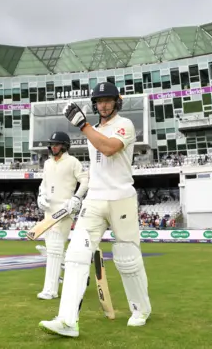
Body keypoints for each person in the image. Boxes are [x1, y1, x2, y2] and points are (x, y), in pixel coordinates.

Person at [39, 82, 151, 337]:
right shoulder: (93, 129)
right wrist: (80, 196)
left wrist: (82, 125)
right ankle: (67, 320)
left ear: (116, 102)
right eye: (99, 101)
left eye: (108, 100)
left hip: (121, 197)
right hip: (95, 200)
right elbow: (97, 162)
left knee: (127, 258)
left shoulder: (125, 125)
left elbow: (109, 149)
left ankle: (141, 309)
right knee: (76, 255)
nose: (103, 104)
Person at [36, 131, 89, 300]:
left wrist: (76, 198)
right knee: (52, 249)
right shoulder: (47, 163)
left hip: (64, 210)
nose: (53, 147)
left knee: (54, 249)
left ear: (65, 146)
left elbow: (86, 180)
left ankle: (50, 290)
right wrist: (40, 195)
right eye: (52, 144)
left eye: (57, 144)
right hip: (48, 210)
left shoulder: (72, 162)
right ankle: (66, 269)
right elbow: (44, 183)